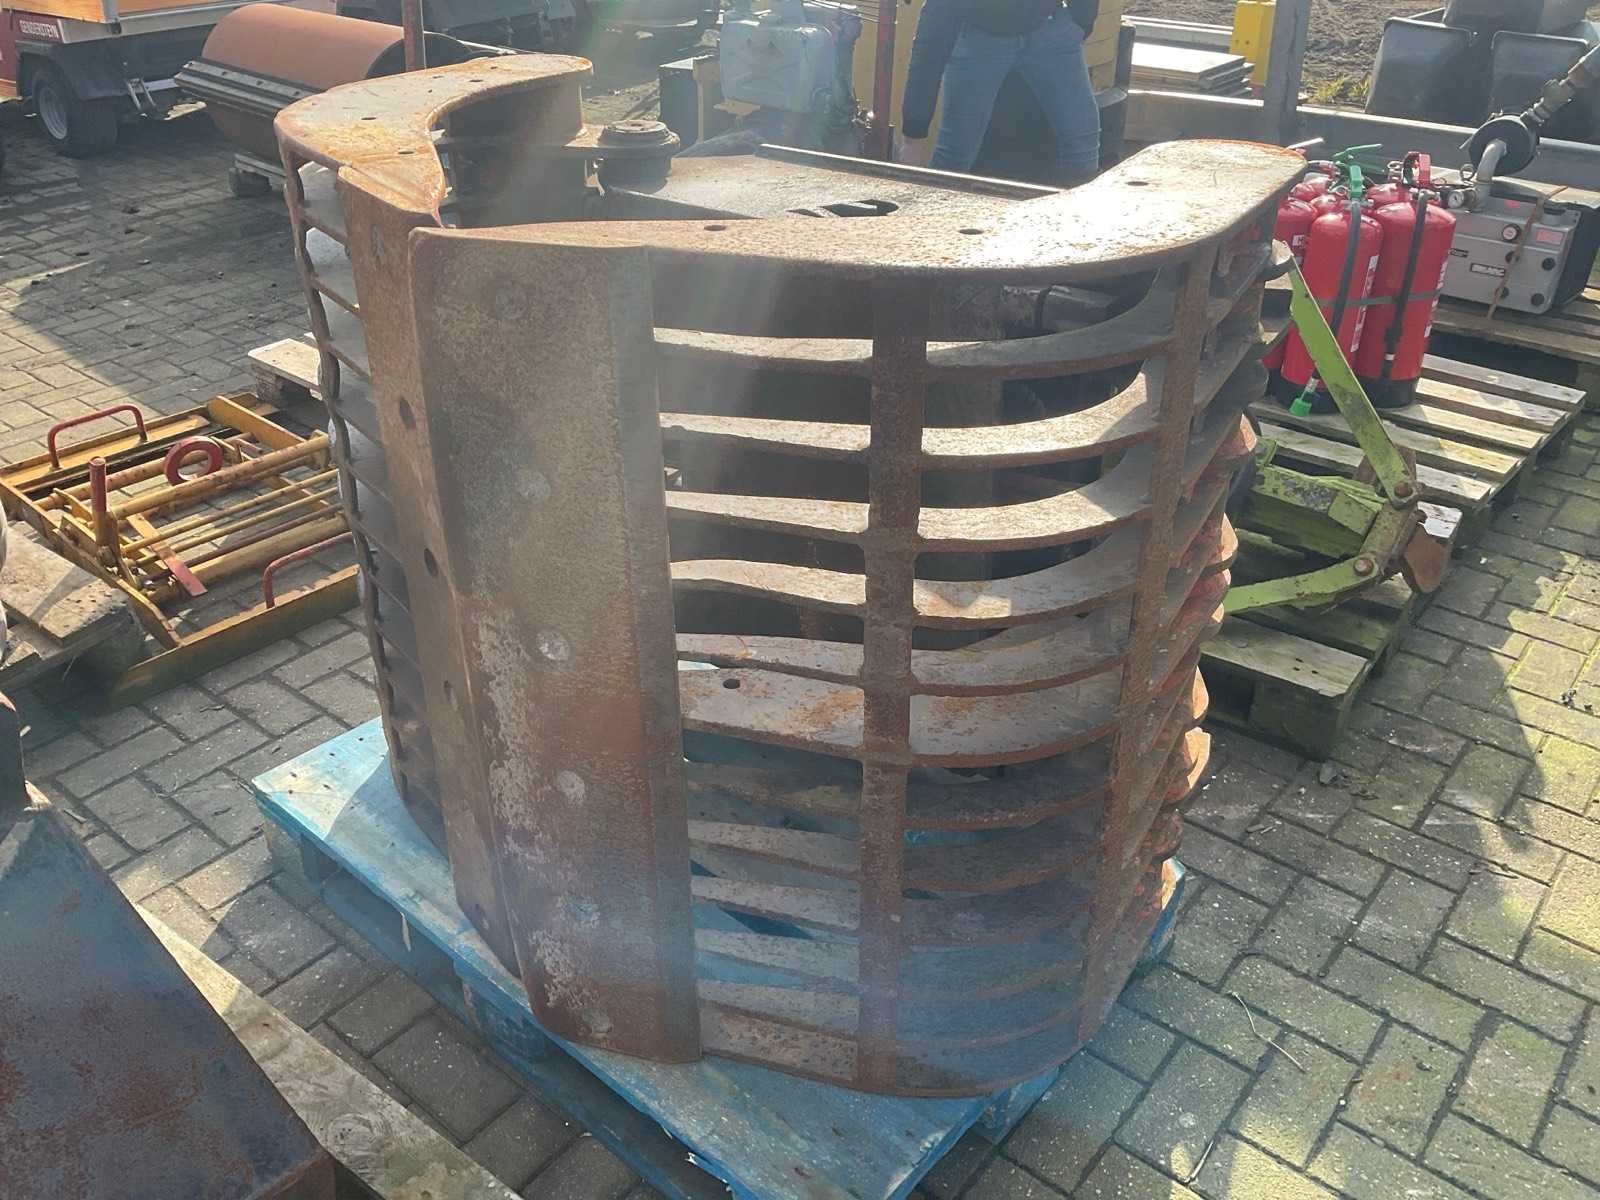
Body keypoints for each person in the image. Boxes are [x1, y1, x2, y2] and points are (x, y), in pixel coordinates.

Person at [898, 0, 1103, 185]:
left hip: (1050, 29)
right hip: (978, 39)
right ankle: (935, 211)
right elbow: (930, 46)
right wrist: (913, 137)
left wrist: (1082, 20)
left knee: (1082, 146)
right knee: (955, 156)